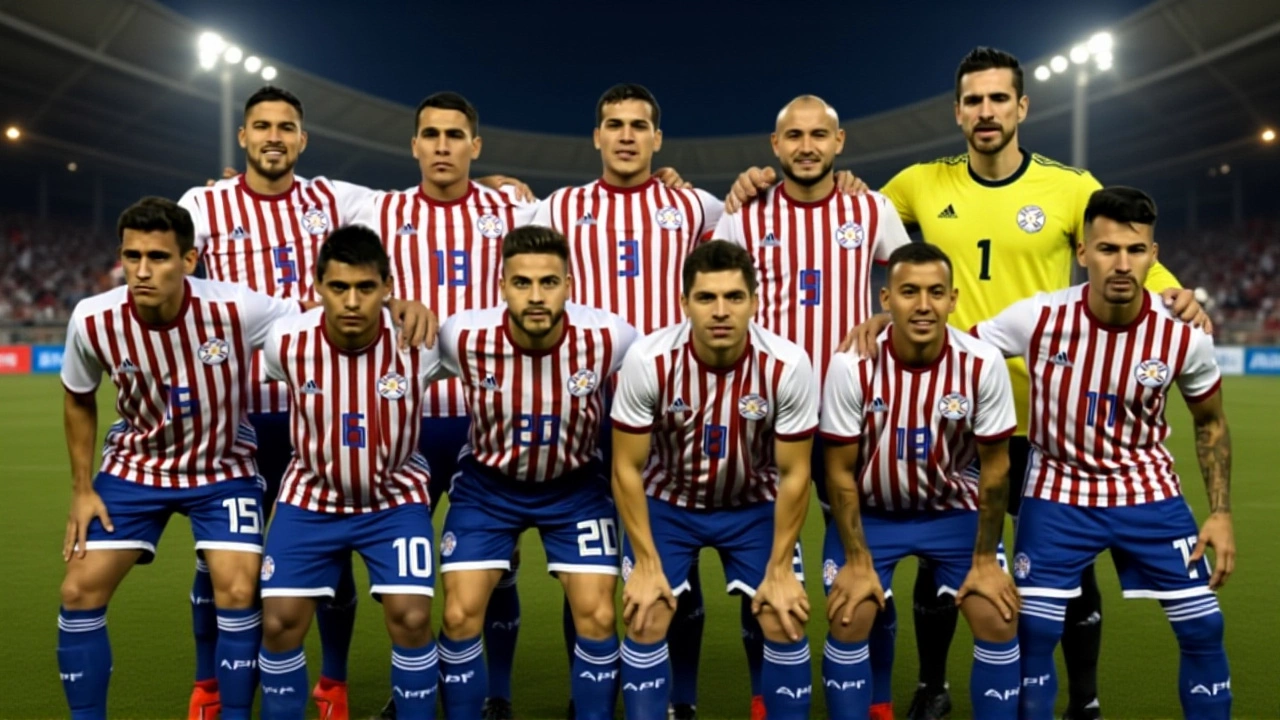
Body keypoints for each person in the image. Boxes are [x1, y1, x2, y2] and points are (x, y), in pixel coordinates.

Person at [725, 47, 1206, 720]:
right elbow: (836, 207)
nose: (986, 111)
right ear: (958, 112)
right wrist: (753, 183)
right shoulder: (920, 182)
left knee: (1059, 571)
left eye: (998, 99)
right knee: (931, 550)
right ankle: (929, 684)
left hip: (1043, 413)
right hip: (932, 408)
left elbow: (1122, 250)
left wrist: (1180, 294)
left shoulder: (1070, 187)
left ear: (1021, 107)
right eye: (974, 101)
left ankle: (1085, 697)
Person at [178, 85, 441, 720]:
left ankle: (335, 681)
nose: (274, 136)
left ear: (303, 138)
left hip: (322, 410)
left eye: (287, 127)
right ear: (242, 137)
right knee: (225, 559)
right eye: (261, 126)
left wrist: (506, 186)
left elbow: (422, 204)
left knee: (333, 551)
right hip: (237, 413)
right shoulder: (203, 203)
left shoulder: (339, 199)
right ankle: (209, 684)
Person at [971, 186, 1234, 720]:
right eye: (1108, 249)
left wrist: (1222, 513)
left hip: (1148, 491)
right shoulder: (1037, 318)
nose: (1122, 263)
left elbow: (1210, 422)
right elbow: (957, 349)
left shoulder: (1183, 337)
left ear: (1153, 256)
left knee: (1206, 626)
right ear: (1082, 252)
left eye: (1135, 250)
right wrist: (887, 326)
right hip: (1056, 491)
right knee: (1034, 630)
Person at [56, 197, 304, 720]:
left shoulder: (237, 307)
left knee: (239, 587)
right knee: (78, 590)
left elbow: (308, 321)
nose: (142, 271)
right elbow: (79, 395)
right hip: (135, 467)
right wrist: (82, 490)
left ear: (189, 260)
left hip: (224, 469)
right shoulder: (93, 318)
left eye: (159, 257)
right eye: (132, 256)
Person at [532, 82, 727, 720]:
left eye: (638, 125)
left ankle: (682, 700)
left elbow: (754, 240)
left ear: (656, 138)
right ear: (597, 136)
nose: (625, 135)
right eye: (613, 123)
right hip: (586, 407)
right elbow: (502, 253)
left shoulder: (696, 206)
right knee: (587, 565)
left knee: (675, 568)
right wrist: (504, 187)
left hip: (677, 409)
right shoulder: (558, 208)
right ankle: (589, 694)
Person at [355, 91, 539, 720]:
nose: (441, 145)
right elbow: (338, 285)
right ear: (413, 145)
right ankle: (411, 687)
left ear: (475, 146)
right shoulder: (379, 212)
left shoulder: (510, 208)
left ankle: (497, 692)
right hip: (401, 416)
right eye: (430, 134)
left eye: (454, 135)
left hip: (488, 415)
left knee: (496, 566)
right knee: (403, 570)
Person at [431, 225, 638, 720]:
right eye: (522, 283)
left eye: (549, 282)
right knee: (459, 615)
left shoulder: (611, 337)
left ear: (570, 285)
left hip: (576, 490)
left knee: (599, 614)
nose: (537, 295)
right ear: (502, 286)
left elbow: (664, 370)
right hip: (486, 488)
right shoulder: (463, 336)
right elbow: (391, 362)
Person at [612, 240, 817, 720]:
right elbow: (626, 467)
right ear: (684, 303)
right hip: (668, 501)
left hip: (753, 503)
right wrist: (645, 562)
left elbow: (794, 473)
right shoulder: (649, 359)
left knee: (784, 616)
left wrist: (782, 568)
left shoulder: (787, 364)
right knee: (646, 613)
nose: (720, 311)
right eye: (706, 298)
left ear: (755, 301)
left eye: (734, 297)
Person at [820, 242, 1021, 720]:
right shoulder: (851, 365)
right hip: (873, 515)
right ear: (885, 299)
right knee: (852, 614)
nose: (924, 305)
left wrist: (984, 561)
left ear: (953, 298)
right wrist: (857, 559)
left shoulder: (982, 362)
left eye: (935, 292)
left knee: (999, 616)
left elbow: (995, 469)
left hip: (954, 512)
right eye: (909, 291)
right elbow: (839, 471)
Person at [257, 225, 446, 720]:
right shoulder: (286, 342)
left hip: (395, 499)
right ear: (318, 286)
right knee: (278, 625)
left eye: (365, 288)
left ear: (387, 287)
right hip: (310, 497)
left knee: (411, 616)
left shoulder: (422, 342)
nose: (351, 301)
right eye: (338, 287)